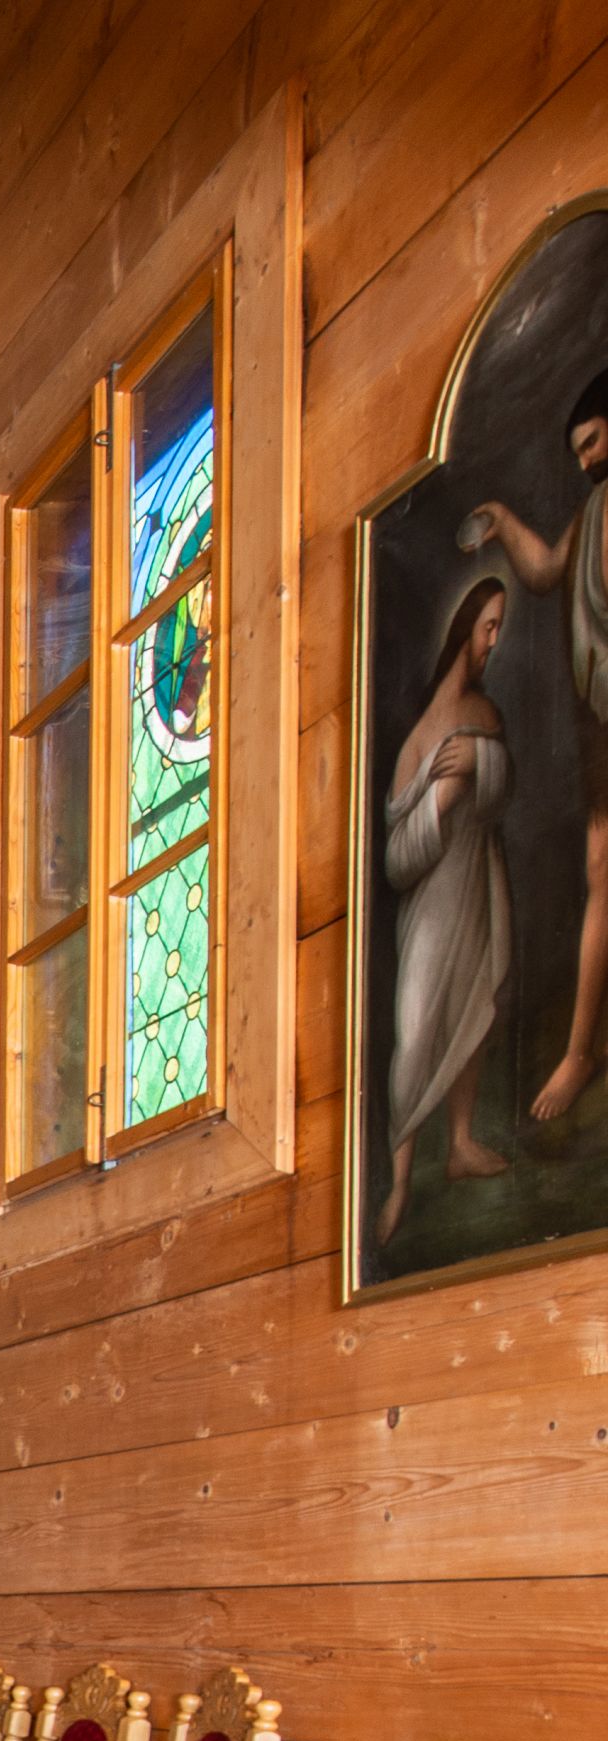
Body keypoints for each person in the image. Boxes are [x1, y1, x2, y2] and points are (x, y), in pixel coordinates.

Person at [461, 369, 608, 1119]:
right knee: (601, 868)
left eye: (594, 442)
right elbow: (548, 570)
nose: (587, 460)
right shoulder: (593, 513)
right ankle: (580, 1052)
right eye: (579, 450)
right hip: (600, 716)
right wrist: (505, 523)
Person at [379, 579, 514, 1242]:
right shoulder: (417, 743)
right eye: (489, 626)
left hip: (477, 884)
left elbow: (504, 788)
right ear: (465, 629)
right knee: (416, 1031)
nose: (494, 640)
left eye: (500, 626)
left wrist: (484, 762)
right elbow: (396, 860)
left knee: (471, 1008)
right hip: (431, 905)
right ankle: (399, 1182)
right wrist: (442, 799)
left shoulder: (485, 715)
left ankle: (459, 1143)